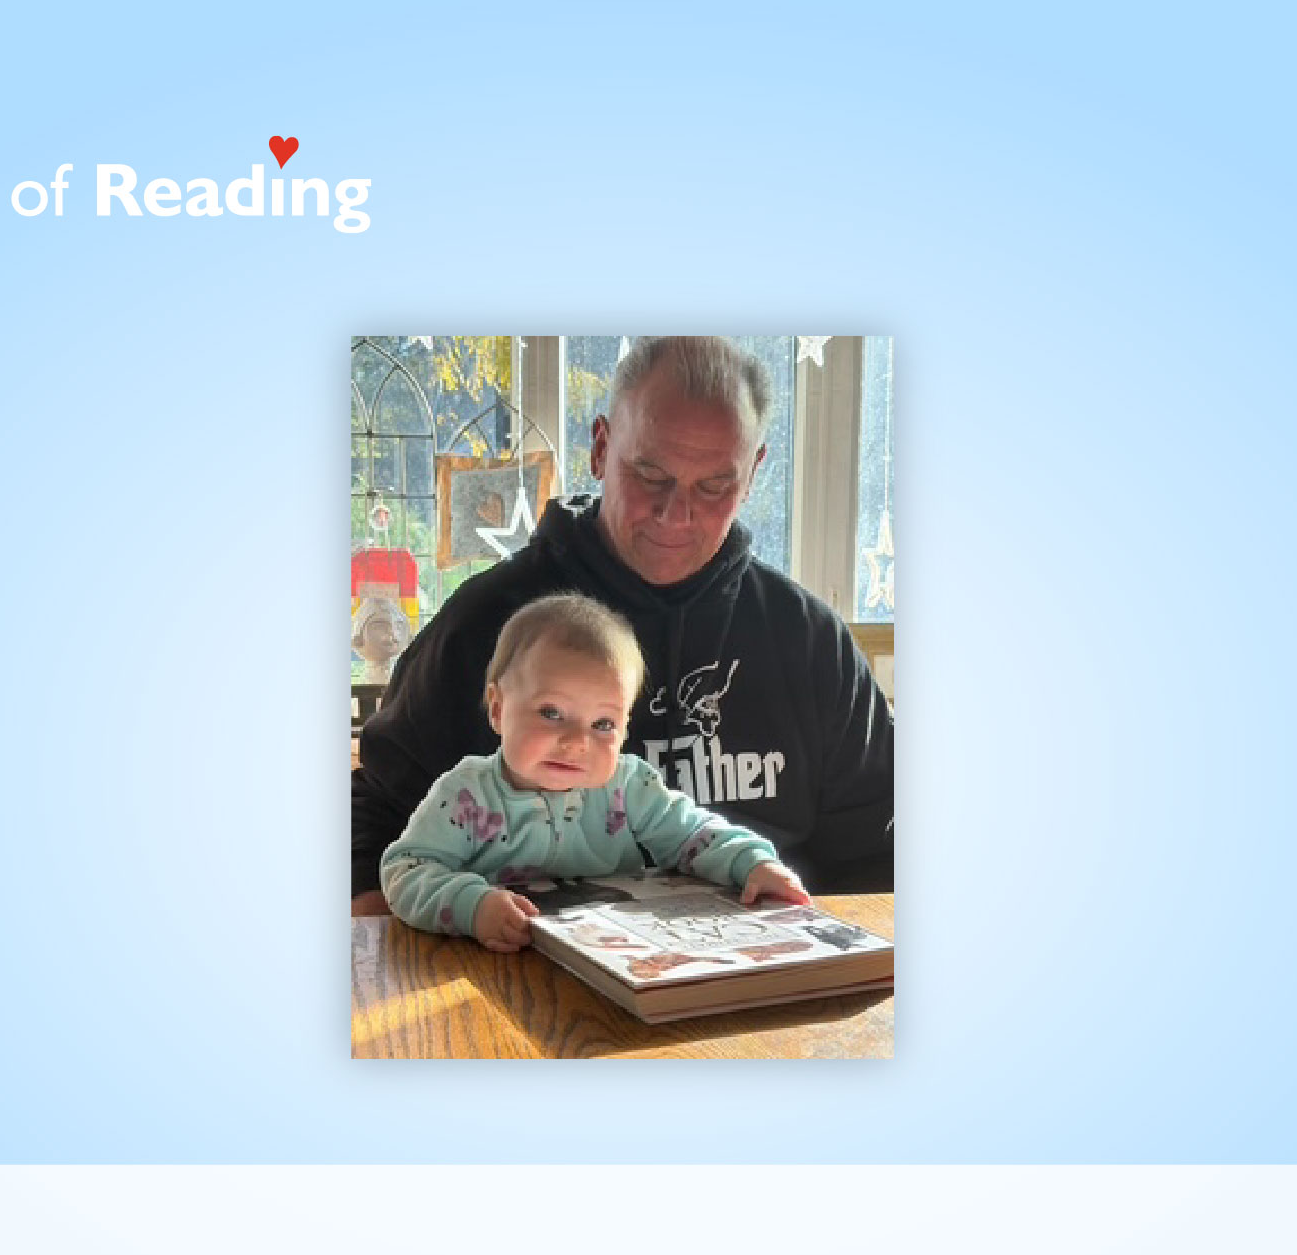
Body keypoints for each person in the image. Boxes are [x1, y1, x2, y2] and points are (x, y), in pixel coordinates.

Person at [353, 335, 892, 912]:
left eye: (714, 486)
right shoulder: (485, 624)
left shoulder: (810, 641)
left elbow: (882, 846)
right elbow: (372, 828)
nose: (675, 515)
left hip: (767, 953)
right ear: (601, 449)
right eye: (650, 475)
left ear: (753, 473)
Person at [381, 594, 810, 951]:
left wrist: (751, 863)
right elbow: (406, 870)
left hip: (615, 959)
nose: (576, 742)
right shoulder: (467, 794)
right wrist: (471, 906)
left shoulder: (628, 785)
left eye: (603, 724)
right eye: (552, 713)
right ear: (497, 708)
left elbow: (692, 834)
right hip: (496, 965)